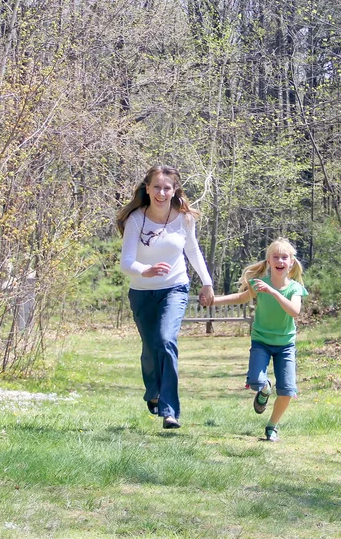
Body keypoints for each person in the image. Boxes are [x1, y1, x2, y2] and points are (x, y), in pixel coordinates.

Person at [117, 165, 214, 430]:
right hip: (142, 292)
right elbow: (126, 262)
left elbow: (192, 251)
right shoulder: (136, 219)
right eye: (156, 187)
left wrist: (207, 282)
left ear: (175, 190)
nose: (161, 192)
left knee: (166, 340)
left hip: (175, 287)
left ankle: (170, 411)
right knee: (150, 349)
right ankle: (153, 394)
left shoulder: (184, 218)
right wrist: (145, 271)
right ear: (147, 188)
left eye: (167, 188)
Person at [202, 238, 307, 442]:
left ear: (291, 262)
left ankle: (272, 427)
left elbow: (294, 311)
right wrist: (214, 301)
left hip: (285, 345)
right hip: (261, 341)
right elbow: (240, 298)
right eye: (275, 257)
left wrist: (274, 292)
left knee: (287, 390)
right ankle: (265, 388)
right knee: (255, 381)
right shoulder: (260, 284)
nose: (280, 260)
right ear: (269, 262)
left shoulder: (295, 288)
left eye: (284, 257)